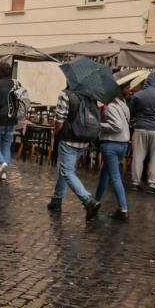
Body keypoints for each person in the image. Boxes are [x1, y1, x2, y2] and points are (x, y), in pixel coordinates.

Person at [48, 85, 101, 219]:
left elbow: (59, 120)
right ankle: (56, 200)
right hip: (84, 139)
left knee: (67, 171)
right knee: (66, 168)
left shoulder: (66, 95)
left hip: (69, 139)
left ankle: (88, 200)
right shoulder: (90, 96)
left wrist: (56, 133)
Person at [95, 82, 132, 220]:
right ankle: (95, 201)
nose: (130, 90)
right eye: (128, 87)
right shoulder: (123, 105)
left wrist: (98, 125)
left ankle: (123, 209)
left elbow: (116, 126)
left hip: (111, 144)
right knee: (105, 174)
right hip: (122, 144)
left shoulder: (111, 106)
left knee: (115, 177)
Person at [0, 61, 17, 179]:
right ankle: (4, 173)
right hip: (12, 118)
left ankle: (0, 163)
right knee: (6, 145)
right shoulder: (16, 84)